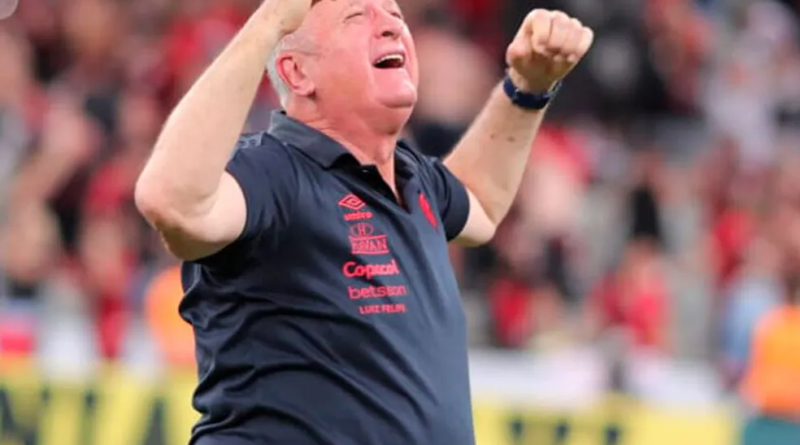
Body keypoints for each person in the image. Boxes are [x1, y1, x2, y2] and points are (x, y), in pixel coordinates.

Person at [134, 0, 593, 444]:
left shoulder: (415, 178)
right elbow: (172, 203)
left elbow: (480, 203)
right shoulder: (273, 172)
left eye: (395, 15)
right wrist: (271, 18)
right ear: (298, 72)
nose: (392, 25)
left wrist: (528, 87)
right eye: (358, 15)